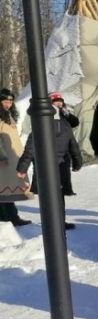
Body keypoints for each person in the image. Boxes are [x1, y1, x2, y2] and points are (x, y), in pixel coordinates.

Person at [16, 101, 83, 230]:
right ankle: (59, 222)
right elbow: (73, 146)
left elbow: (30, 148)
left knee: (47, 195)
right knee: (59, 194)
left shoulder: (40, 125)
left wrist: (22, 167)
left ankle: (51, 223)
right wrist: (77, 162)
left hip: (43, 166)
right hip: (61, 166)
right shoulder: (65, 127)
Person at [0, 89, 33, 227]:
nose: (8, 104)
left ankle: (10, 217)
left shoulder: (8, 116)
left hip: (12, 158)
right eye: (5, 102)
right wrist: (1, 157)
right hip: (3, 160)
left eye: (10, 102)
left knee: (6, 190)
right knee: (3, 189)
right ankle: (9, 218)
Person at [49, 93, 79, 196]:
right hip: (55, 146)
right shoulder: (50, 114)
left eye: (60, 101)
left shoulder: (64, 113)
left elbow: (75, 122)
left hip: (66, 144)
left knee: (65, 168)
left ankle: (67, 189)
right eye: (56, 101)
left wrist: (67, 114)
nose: (59, 103)